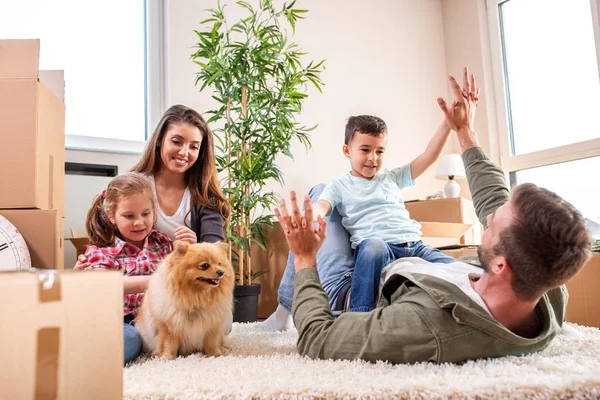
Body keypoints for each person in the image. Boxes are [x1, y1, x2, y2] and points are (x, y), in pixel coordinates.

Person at [274, 67, 591, 363]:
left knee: (318, 192)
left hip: (359, 286)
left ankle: (286, 304)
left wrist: (304, 258)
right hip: (387, 249)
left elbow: (318, 341)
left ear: (500, 264)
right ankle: (284, 305)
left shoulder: (427, 323)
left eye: (494, 222)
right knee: (328, 195)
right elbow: (494, 198)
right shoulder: (546, 285)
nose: (489, 217)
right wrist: (464, 131)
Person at [260, 112, 458, 330]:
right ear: (347, 150)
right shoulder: (339, 186)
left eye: (379, 151)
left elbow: (429, 156)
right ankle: (358, 321)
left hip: (414, 245)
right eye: (365, 150)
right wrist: (310, 214)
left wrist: (448, 124)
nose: (373, 158)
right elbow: (322, 205)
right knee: (374, 247)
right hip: (379, 248)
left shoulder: (392, 178)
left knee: (457, 268)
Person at [75, 105, 232, 360]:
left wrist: (199, 247)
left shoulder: (204, 198)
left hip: (186, 294)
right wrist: (84, 274)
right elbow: (106, 240)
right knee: (131, 334)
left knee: (221, 322)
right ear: (160, 140)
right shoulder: (136, 186)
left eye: (194, 146)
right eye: (177, 141)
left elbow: (216, 254)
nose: (184, 152)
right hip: (144, 300)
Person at [84, 172, 186, 365]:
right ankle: (86, 357)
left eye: (145, 214)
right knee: (128, 340)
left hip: (158, 318)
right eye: (129, 216)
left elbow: (181, 275)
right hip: (121, 321)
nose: (139, 222)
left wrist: (191, 246)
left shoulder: (162, 242)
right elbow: (102, 284)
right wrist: (150, 282)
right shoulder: (102, 251)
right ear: (111, 216)